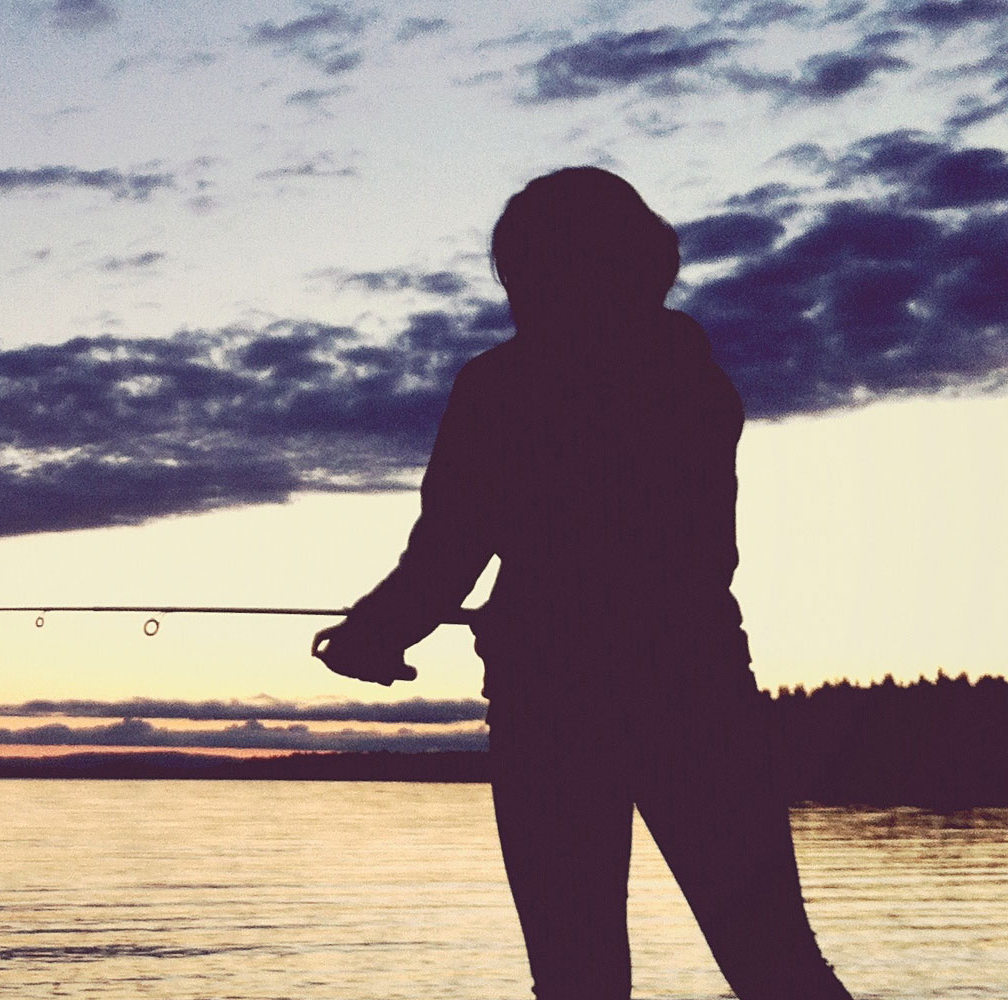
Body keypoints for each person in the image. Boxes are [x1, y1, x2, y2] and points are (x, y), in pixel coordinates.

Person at [312, 167, 854, 1000]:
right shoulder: (693, 375)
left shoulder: (503, 386)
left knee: (577, 977)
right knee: (776, 963)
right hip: (704, 692)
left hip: (555, 708)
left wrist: (372, 636)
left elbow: (452, 548)